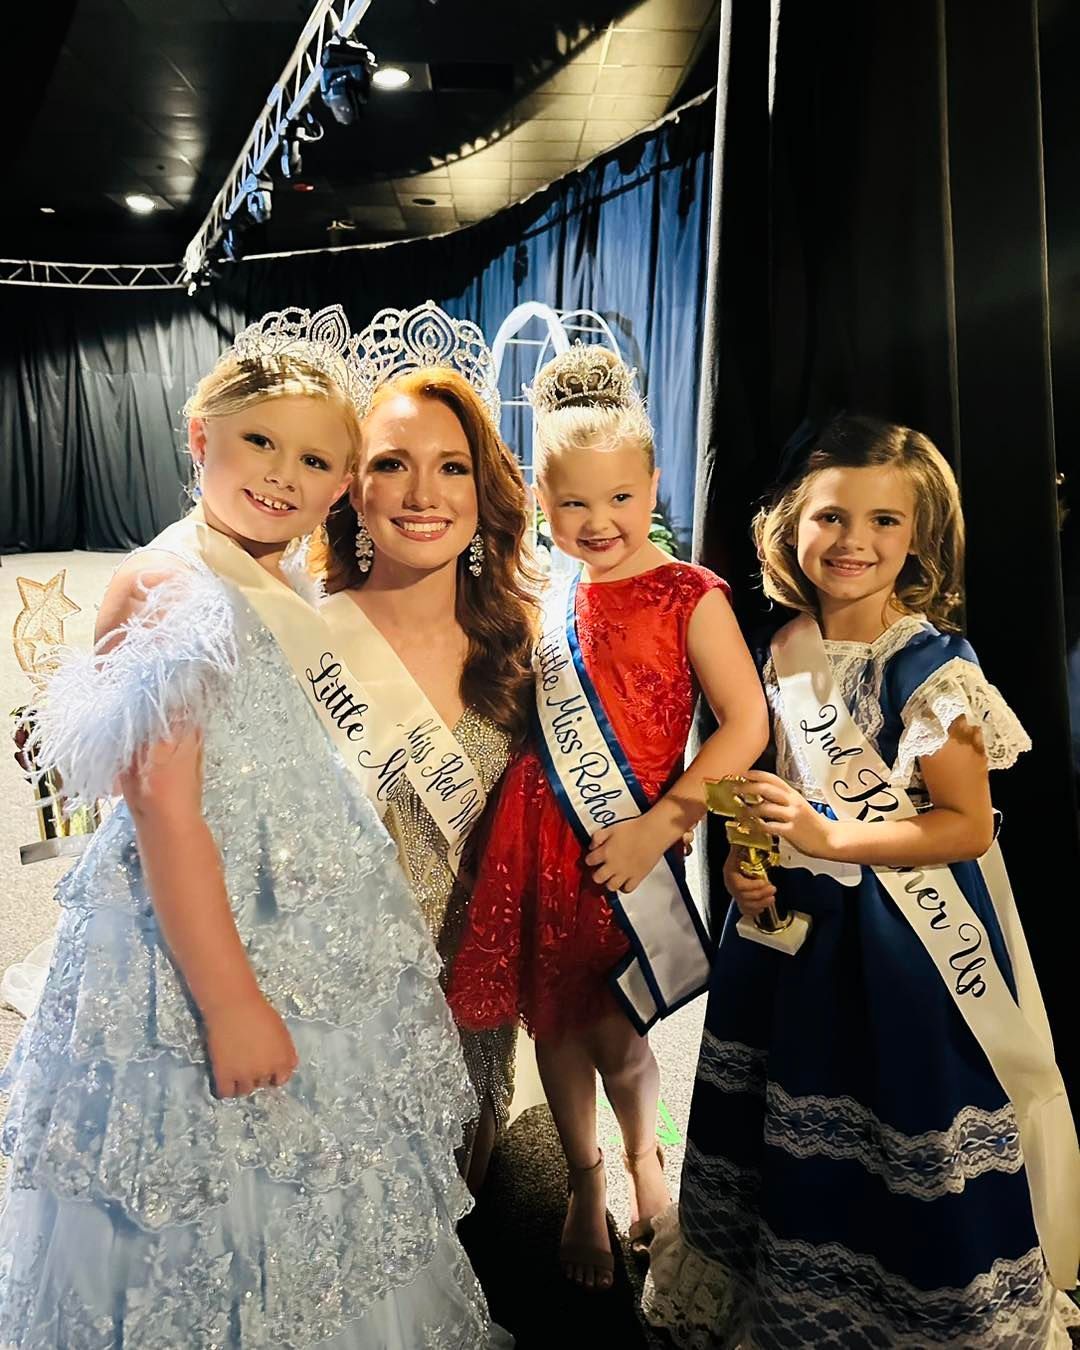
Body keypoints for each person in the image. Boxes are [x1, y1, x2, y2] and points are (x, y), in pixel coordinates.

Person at [0, 305, 508, 1348]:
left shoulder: (274, 579)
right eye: (260, 442)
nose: (284, 475)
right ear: (202, 438)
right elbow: (165, 813)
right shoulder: (173, 585)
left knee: (308, 1191)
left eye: (316, 460)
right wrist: (231, 1005)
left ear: (342, 484)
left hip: (287, 928)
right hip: (204, 955)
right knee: (207, 1195)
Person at [643, 413, 1080, 1347]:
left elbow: (965, 827)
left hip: (900, 947)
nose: (855, 541)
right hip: (787, 941)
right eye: (832, 517)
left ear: (917, 537)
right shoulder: (779, 647)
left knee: (895, 1127)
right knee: (777, 1119)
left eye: (885, 521)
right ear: (790, 527)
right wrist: (747, 860)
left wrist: (830, 836)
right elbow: (764, 786)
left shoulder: (932, 667)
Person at [448, 343, 770, 1291]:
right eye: (574, 504)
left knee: (622, 1031)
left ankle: (642, 1157)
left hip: (630, 839)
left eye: (621, 497)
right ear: (542, 503)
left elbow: (745, 723)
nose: (599, 522)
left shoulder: (689, 595)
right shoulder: (542, 595)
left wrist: (662, 826)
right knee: (553, 1026)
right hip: (537, 840)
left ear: (654, 486)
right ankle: (586, 1181)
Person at [315, 301, 539, 1191]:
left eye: (452, 467)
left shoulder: (521, 649)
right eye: (391, 464)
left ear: (483, 491)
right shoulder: (300, 640)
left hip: (466, 1002)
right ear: (351, 488)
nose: (423, 494)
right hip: (330, 1005)